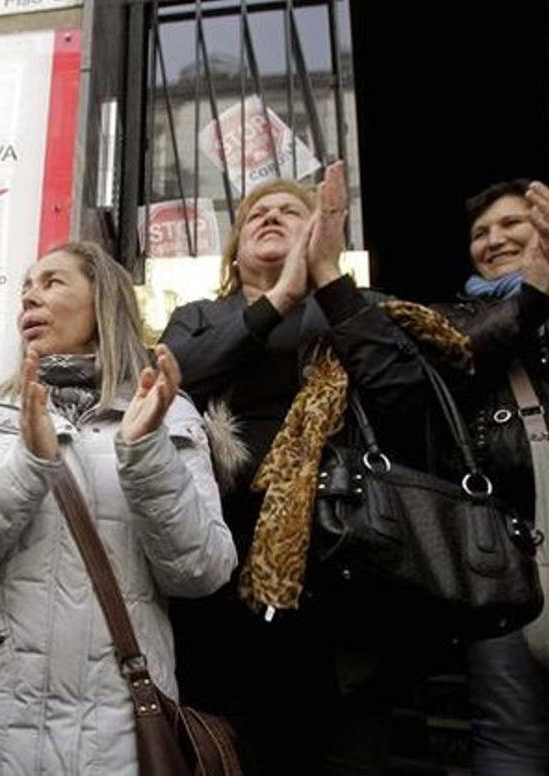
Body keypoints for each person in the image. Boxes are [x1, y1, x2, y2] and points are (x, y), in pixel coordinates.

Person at [0, 241, 236, 775]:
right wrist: (28, 465)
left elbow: (203, 570)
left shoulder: (167, 413)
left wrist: (144, 452)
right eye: (25, 290)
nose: (30, 298)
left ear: (103, 300)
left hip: (120, 734)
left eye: (52, 282)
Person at [161, 162, 433, 775]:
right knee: (223, 736)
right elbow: (178, 377)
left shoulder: (347, 308)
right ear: (236, 247)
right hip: (224, 561)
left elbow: (401, 389)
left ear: (319, 232)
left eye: (290, 210)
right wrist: (277, 300)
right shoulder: (201, 316)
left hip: (338, 563)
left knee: (324, 742)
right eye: (257, 213)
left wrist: (327, 279)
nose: (270, 217)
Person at [437, 179, 549, 775]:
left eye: (511, 224)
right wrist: (530, 300)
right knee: (509, 732)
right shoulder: (458, 316)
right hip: (502, 560)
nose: (494, 241)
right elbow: (457, 355)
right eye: (480, 233)